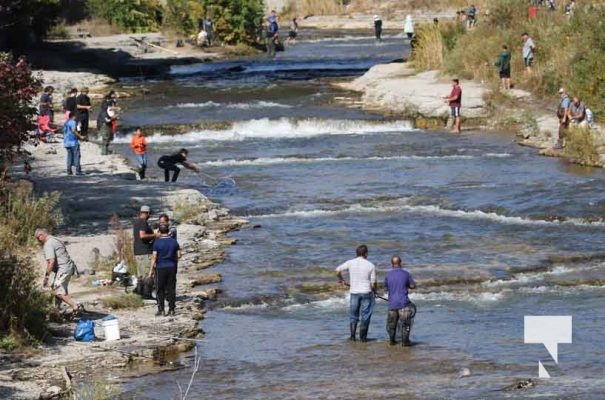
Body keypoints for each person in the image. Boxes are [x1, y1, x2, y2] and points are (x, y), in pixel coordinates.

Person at [35, 228, 84, 315]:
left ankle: (76, 307)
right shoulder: (55, 239)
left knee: (58, 291)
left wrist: (46, 276)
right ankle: (57, 311)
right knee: (56, 289)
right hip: (67, 267)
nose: (38, 241)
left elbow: (51, 261)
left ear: (41, 236)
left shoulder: (48, 244)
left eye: (37, 238)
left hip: (63, 269)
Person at [335, 244, 377, 342]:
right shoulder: (370, 265)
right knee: (365, 315)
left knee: (353, 315)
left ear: (356, 253)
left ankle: (353, 337)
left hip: (354, 292)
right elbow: (373, 282)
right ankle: (363, 338)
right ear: (366, 253)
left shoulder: (350, 262)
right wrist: (375, 291)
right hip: (366, 292)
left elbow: (337, 270)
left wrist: (341, 280)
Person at [384, 255, 416, 346]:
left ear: (392, 264)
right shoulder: (406, 274)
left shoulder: (388, 275)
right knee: (406, 325)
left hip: (392, 304)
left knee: (391, 326)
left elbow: (386, 289)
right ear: (400, 263)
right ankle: (405, 343)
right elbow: (413, 286)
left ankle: (392, 341)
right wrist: (408, 285)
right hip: (404, 304)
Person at [149, 224, 181, 316]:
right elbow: (179, 255)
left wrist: (150, 271)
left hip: (160, 267)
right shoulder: (174, 242)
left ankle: (161, 309)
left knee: (160, 289)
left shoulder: (157, 243)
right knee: (171, 288)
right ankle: (171, 309)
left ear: (159, 232)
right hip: (171, 266)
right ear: (168, 232)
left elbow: (154, 257)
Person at [133, 205, 157, 277]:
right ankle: (147, 288)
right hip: (145, 253)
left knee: (141, 276)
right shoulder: (143, 222)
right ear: (148, 213)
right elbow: (142, 235)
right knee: (147, 275)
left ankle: (141, 288)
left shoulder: (136, 222)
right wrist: (155, 235)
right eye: (149, 214)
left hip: (138, 252)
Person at [97, 91, 118, 155]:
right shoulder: (104, 109)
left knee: (108, 137)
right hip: (104, 124)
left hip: (106, 123)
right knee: (106, 138)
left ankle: (106, 150)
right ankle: (104, 152)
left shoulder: (106, 107)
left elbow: (109, 116)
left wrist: (114, 117)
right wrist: (113, 117)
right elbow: (107, 119)